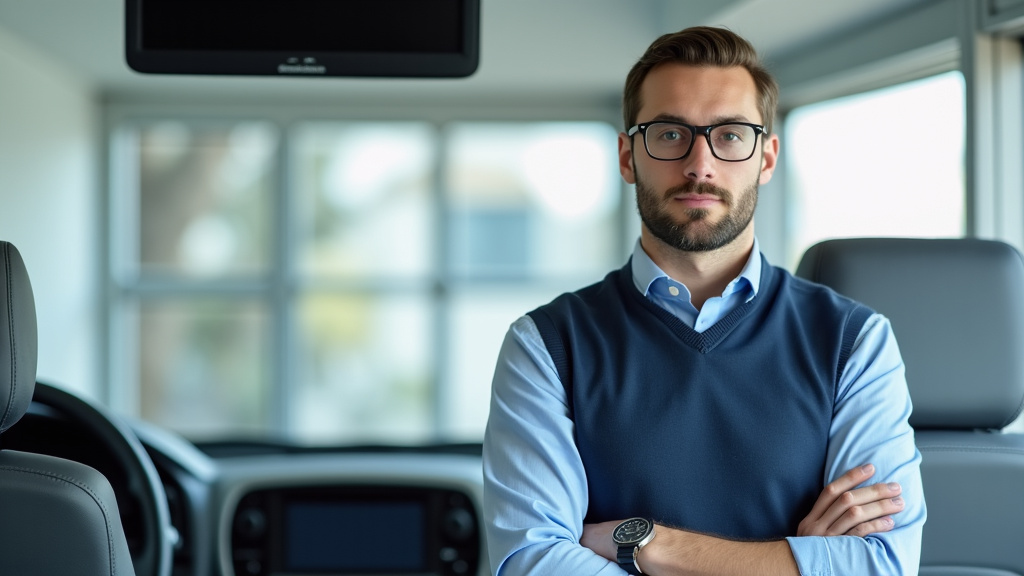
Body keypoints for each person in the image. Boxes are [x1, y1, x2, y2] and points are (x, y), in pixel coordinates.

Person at [482, 26, 925, 576]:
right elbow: (533, 562)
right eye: (669, 134)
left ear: (765, 157)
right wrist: (797, 562)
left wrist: (648, 545)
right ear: (627, 157)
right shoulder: (547, 345)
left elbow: (880, 565)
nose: (700, 164)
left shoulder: (854, 342)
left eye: (731, 135)